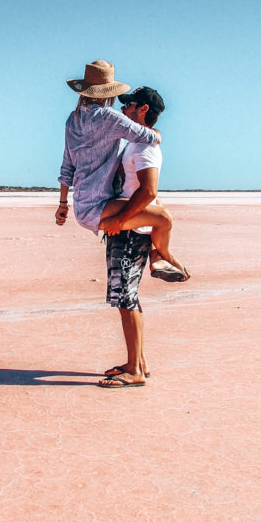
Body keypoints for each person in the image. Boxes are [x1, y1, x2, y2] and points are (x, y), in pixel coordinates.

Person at [55, 61, 187, 276]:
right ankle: (169, 260)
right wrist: (159, 134)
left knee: (156, 204)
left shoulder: (73, 119)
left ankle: (158, 261)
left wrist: (62, 204)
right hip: (100, 207)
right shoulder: (110, 117)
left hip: (81, 207)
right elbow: (149, 136)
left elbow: (66, 166)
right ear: (109, 92)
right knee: (163, 218)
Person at [99, 85, 184, 389]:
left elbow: (148, 191)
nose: (124, 110)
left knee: (125, 298)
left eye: (129, 105)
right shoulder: (136, 143)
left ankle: (134, 370)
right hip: (127, 227)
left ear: (143, 110)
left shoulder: (146, 148)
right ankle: (138, 363)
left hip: (132, 231)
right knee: (126, 296)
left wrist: (120, 220)